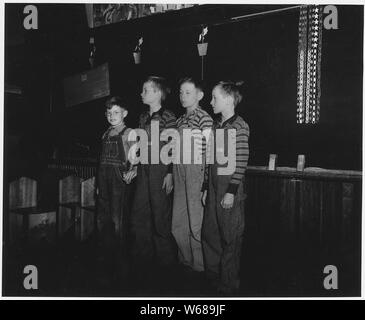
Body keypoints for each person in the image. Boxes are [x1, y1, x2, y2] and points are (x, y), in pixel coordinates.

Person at [201, 81, 249, 295]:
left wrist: (230, 192)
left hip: (229, 189)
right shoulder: (215, 126)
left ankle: (228, 284)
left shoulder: (240, 126)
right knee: (210, 233)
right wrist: (205, 187)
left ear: (229, 100)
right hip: (212, 187)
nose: (211, 102)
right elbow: (209, 159)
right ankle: (213, 277)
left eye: (214, 98)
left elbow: (241, 161)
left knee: (231, 237)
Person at [130, 76, 177, 271]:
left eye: (145, 90)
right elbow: (138, 147)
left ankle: (165, 264)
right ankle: (144, 259)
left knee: (160, 215)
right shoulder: (142, 117)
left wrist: (170, 173)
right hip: (143, 169)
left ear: (157, 93)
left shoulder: (168, 116)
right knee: (138, 214)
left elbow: (174, 146)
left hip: (160, 169)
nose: (141, 94)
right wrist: (134, 166)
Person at [172, 77, 213, 273]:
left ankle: (200, 264)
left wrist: (205, 180)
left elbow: (210, 149)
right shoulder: (179, 120)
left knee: (196, 217)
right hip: (179, 169)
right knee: (179, 218)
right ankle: (185, 260)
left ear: (200, 95)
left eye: (187, 92)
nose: (182, 96)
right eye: (180, 92)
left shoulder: (204, 117)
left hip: (196, 168)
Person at [96, 96, 137, 285]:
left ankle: (123, 271)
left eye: (116, 112)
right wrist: (98, 185)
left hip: (120, 186)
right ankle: (107, 264)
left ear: (125, 113)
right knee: (103, 223)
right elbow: (101, 163)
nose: (112, 116)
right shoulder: (105, 134)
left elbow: (137, 159)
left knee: (118, 224)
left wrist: (133, 171)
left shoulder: (129, 133)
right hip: (104, 186)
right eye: (109, 113)